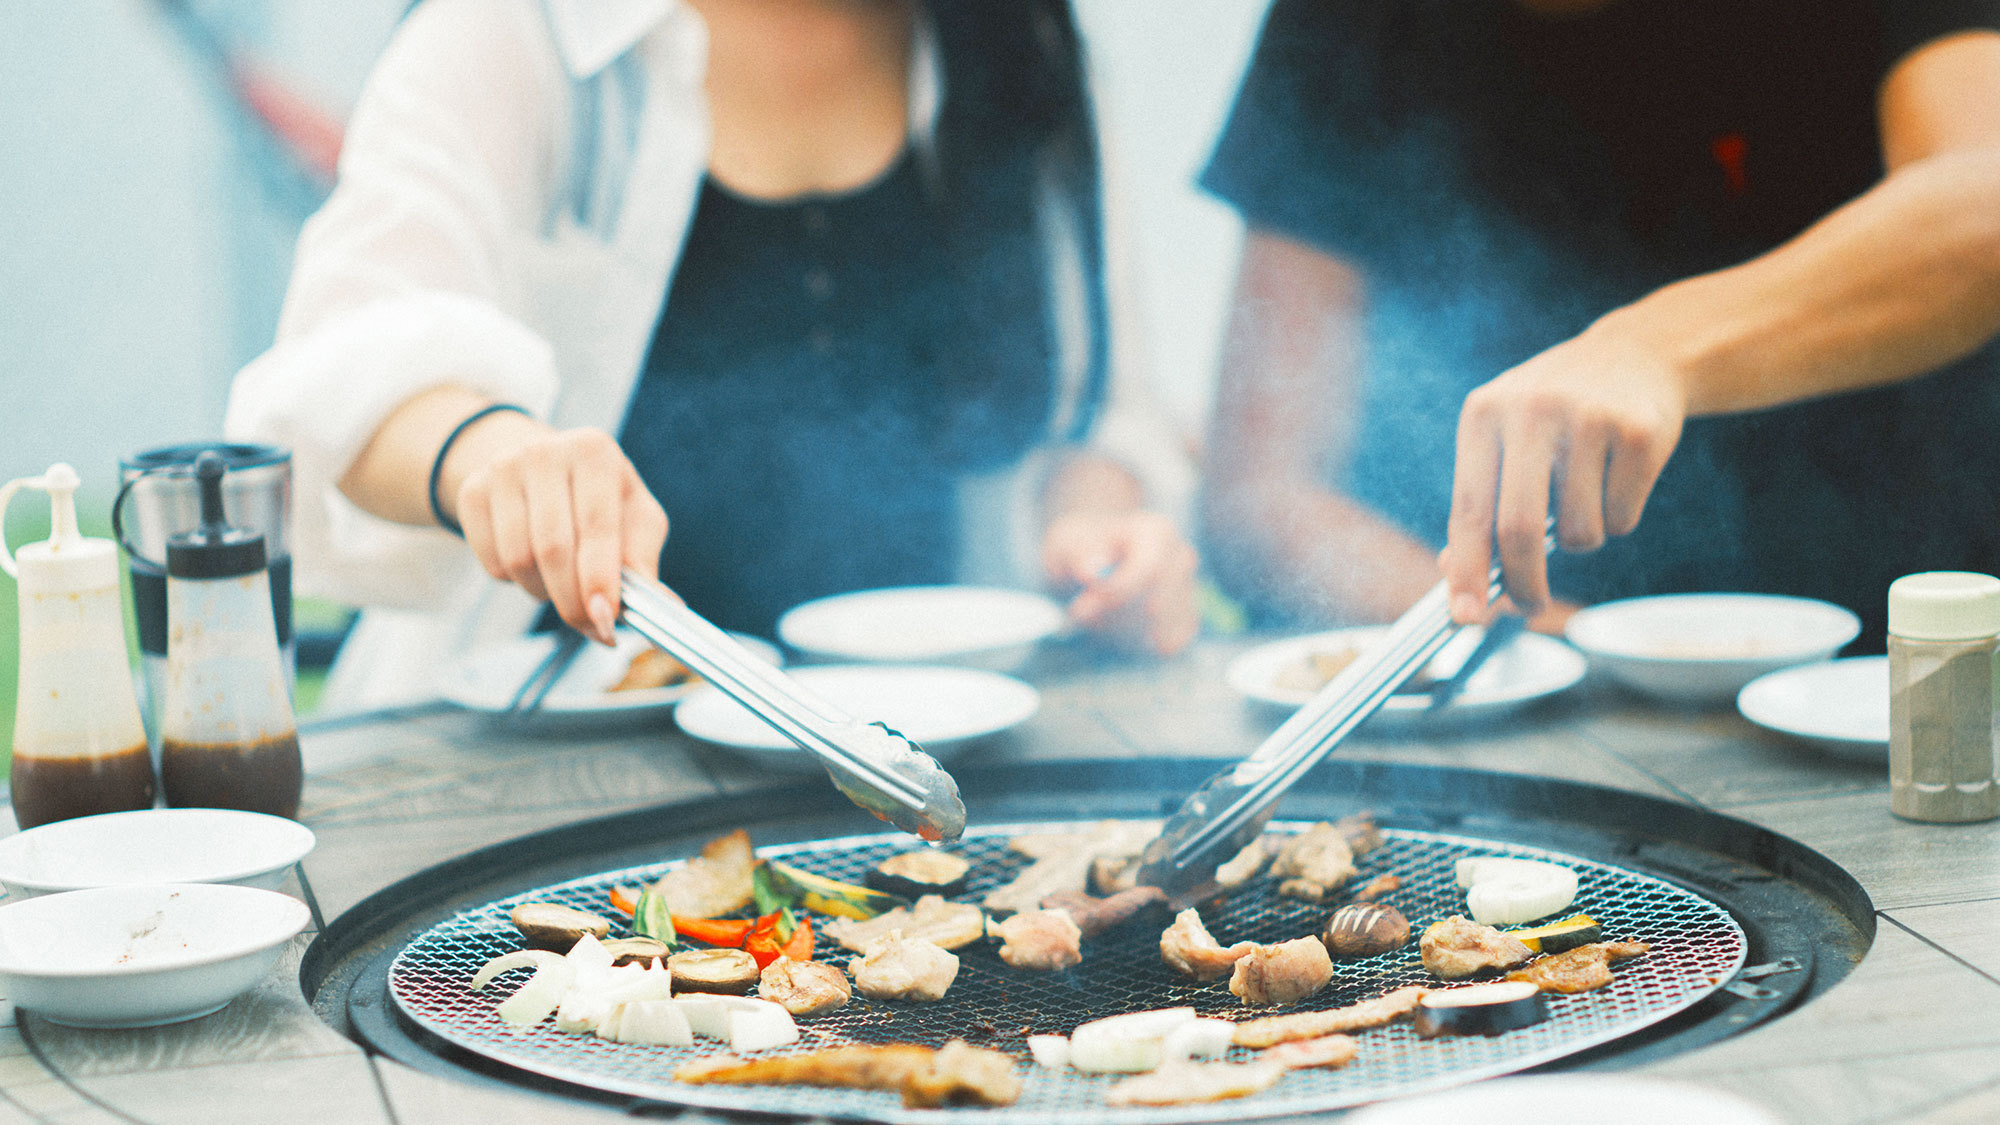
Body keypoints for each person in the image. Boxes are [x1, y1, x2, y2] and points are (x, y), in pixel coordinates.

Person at [227, 0, 1198, 710]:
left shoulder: (1021, 38)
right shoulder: (519, 31)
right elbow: (344, 359)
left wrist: (1101, 537)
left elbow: (1098, 413)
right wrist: (492, 452)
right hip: (554, 754)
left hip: (923, 749)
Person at [1199, 0, 2000, 646]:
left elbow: (1980, 203)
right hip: (1557, 694)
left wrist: (1651, 349)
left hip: (1897, 671)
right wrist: (1559, 644)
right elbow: (1263, 493)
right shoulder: (1349, 21)